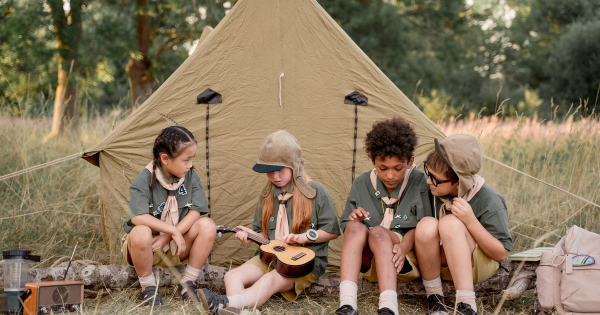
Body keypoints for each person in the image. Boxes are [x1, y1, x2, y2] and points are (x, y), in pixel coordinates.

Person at [198, 130, 341, 314]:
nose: (275, 176)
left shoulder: (315, 192)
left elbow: (333, 231)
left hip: (302, 263)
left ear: (294, 166)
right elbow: (267, 239)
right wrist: (251, 236)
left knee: (268, 281)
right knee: (233, 276)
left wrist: (303, 237)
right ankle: (240, 311)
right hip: (273, 258)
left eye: (280, 170)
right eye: (269, 172)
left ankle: (224, 303)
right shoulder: (266, 197)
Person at [336, 118, 432, 315]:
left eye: (398, 168)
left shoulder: (420, 182)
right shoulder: (362, 183)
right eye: (382, 168)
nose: (390, 176)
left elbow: (424, 227)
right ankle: (347, 303)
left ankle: (388, 306)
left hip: (402, 261)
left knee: (379, 232)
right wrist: (355, 218)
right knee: (354, 226)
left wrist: (404, 246)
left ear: (410, 162)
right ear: (373, 161)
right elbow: (347, 226)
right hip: (367, 263)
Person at [414, 134, 513, 315]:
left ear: (457, 181)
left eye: (435, 178)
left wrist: (470, 221)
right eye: (428, 173)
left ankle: (466, 305)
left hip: (477, 266)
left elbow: (500, 254)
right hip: (440, 267)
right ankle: (435, 300)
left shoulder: (490, 200)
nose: (428, 181)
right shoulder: (429, 191)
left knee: (451, 223)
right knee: (426, 224)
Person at [121, 125, 216, 306]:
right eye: (186, 160)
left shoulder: (190, 175)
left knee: (207, 225)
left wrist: (170, 236)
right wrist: (170, 231)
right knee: (141, 231)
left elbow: (196, 211)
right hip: (147, 248)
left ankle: (188, 283)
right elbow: (138, 217)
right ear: (165, 158)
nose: (190, 165)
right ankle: (148, 287)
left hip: (176, 247)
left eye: (192, 159)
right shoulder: (144, 179)